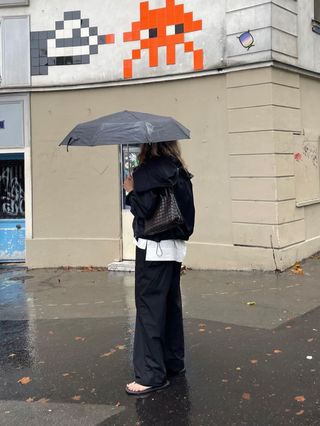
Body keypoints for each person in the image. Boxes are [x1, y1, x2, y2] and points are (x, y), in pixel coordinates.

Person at [123, 140, 195, 395]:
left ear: (148, 147)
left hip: (153, 248)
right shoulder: (179, 171)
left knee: (149, 309)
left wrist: (131, 190)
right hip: (174, 248)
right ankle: (173, 363)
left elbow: (144, 209)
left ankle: (151, 374)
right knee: (170, 306)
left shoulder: (148, 172)